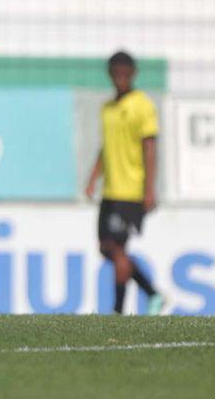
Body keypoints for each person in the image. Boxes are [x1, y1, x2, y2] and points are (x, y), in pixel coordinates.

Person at [85, 51, 165, 315]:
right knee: (106, 248)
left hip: (130, 191)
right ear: (110, 75)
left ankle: (118, 312)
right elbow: (106, 148)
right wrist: (93, 177)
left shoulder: (142, 105)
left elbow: (150, 147)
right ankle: (152, 293)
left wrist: (149, 189)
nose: (120, 77)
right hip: (110, 190)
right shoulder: (107, 109)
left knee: (118, 248)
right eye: (115, 73)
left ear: (133, 74)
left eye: (125, 72)